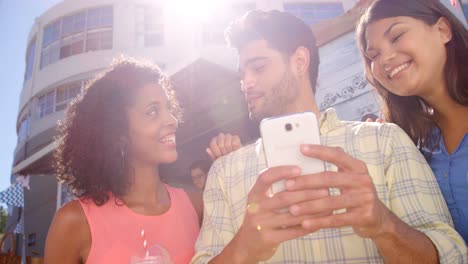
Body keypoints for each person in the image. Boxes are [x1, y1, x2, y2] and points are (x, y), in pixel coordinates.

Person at [192, 10, 467, 264]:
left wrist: (384, 226)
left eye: (258, 67)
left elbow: (452, 254)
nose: (246, 83)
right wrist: (244, 248)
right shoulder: (225, 171)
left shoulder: (384, 140)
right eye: (242, 74)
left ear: (300, 61)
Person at [44, 57, 202, 264]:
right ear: (117, 131)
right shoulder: (74, 222)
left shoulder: (197, 206)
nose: (172, 121)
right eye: (153, 111)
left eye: (168, 108)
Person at [356, 0, 468, 243]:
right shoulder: (411, 145)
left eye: (397, 36)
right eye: (373, 55)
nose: (385, 58)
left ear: (442, 31)